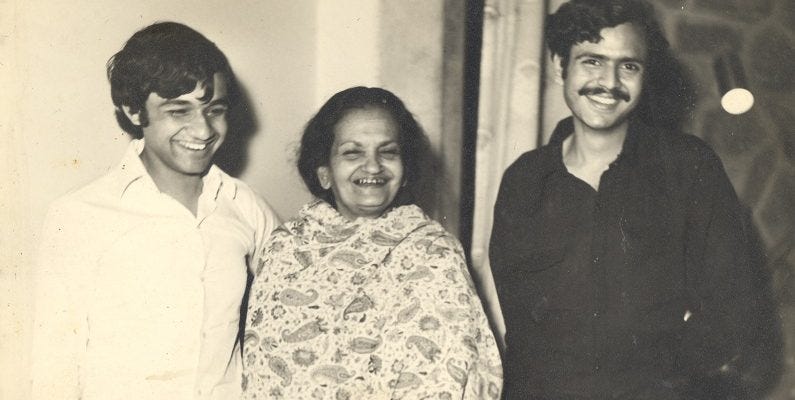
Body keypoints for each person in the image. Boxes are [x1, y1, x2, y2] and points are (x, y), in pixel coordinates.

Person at [489, 0, 756, 398]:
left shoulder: (688, 167)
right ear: (560, 65)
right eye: (592, 61)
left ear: (645, 77)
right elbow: (522, 329)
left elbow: (732, 311)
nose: (609, 82)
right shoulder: (525, 181)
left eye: (628, 65)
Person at [30, 22, 279, 400]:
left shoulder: (245, 206)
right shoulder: (78, 216)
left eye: (215, 109)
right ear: (133, 111)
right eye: (179, 111)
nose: (203, 129)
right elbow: (54, 369)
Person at [242, 86, 503, 399]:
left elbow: (449, 374)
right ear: (324, 172)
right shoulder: (285, 249)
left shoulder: (433, 252)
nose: (373, 166)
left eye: (388, 152)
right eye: (353, 152)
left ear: (405, 172)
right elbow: (264, 371)